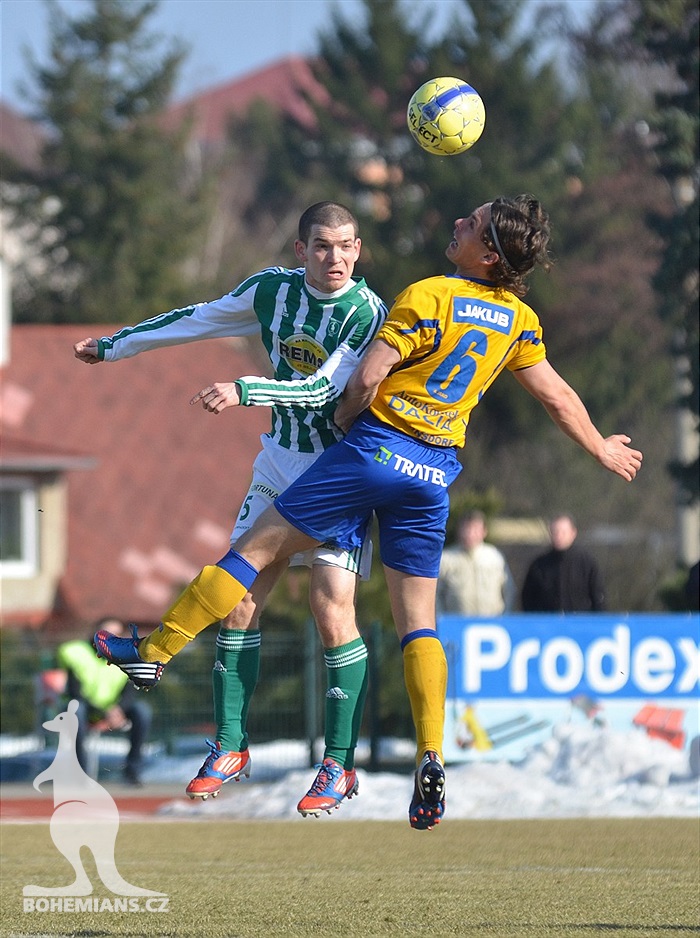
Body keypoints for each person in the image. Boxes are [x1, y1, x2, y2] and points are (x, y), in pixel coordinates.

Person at [94, 194, 643, 831]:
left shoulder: (428, 295)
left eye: (473, 222)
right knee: (419, 625)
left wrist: (350, 422)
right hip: (433, 480)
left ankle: (155, 650)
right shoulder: (518, 319)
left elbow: (362, 380)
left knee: (252, 554)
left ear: (488, 253)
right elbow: (555, 395)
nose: (459, 219)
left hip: (373, 454)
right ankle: (431, 754)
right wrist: (601, 446)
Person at [75, 201, 388, 814]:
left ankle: (338, 763)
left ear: (358, 250)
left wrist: (243, 389)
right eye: (323, 246)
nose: (336, 258)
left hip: (336, 473)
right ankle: (230, 745)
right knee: (240, 600)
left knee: (331, 611)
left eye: (347, 245)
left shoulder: (366, 312)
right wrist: (116, 346)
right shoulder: (271, 291)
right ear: (301, 251)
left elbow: (326, 387)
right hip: (278, 464)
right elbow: (198, 319)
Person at [56, 617, 152, 784]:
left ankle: (132, 771)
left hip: (114, 711)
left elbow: (129, 692)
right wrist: (104, 712)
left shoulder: (127, 658)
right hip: (85, 709)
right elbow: (74, 692)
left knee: (142, 711)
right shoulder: (75, 653)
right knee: (76, 710)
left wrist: (119, 710)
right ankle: (81, 774)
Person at [436, 509, 515, 616]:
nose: (470, 534)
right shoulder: (446, 559)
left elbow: (508, 590)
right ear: (459, 530)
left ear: (484, 531)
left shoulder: (495, 557)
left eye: (475, 529)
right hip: (456, 626)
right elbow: (435, 594)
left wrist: (505, 617)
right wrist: (441, 620)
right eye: (466, 529)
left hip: (493, 625)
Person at [521, 513, 606, 612]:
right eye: (555, 532)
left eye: (563, 532)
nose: (559, 536)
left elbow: (598, 598)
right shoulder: (538, 566)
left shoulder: (587, 563)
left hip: (579, 624)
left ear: (573, 533)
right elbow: (528, 599)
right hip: (548, 625)